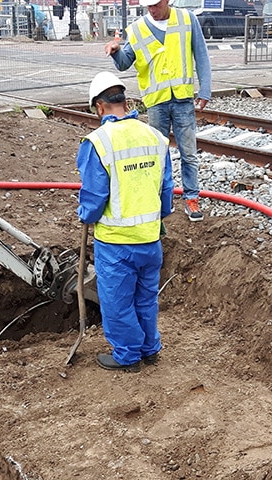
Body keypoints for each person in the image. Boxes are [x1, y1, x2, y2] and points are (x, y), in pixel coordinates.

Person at [77, 71, 174, 373]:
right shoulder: (155, 138)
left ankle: (128, 355)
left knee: (118, 303)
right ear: (124, 100)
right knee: (145, 298)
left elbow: (94, 197)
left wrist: (85, 216)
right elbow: (166, 190)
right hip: (150, 239)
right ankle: (150, 348)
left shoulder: (99, 142)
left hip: (116, 244)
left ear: (100, 107)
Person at [103, 0, 212, 222]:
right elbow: (125, 63)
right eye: (148, 7)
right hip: (156, 102)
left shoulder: (186, 19)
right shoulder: (137, 29)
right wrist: (115, 51)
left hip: (182, 99)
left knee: (189, 153)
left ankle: (191, 198)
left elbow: (201, 55)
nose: (152, 10)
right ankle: (159, 200)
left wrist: (205, 89)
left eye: (156, 5)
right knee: (157, 155)